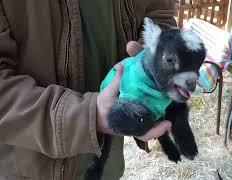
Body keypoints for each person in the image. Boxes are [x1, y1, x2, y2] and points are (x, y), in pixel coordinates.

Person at [0, 0, 176, 179]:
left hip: (108, 166)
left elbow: (159, 14)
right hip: (27, 169)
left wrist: (153, 62)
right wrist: (90, 116)